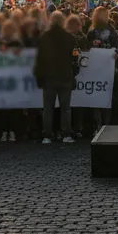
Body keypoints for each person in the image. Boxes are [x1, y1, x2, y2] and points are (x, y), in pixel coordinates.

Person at [34, 11, 78, 145]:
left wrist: (39, 77)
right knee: (66, 108)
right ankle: (66, 134)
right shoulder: (70, 38)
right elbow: (74, 57)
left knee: (48, 108)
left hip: (49, 78)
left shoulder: (44, 37)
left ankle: (47, 135)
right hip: (65, 76)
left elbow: (39, 59)